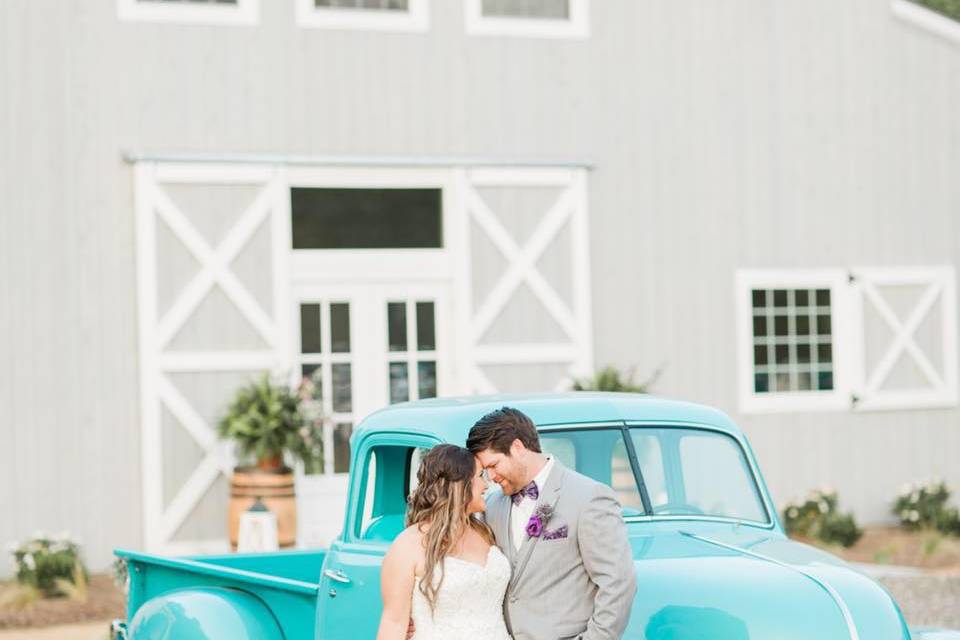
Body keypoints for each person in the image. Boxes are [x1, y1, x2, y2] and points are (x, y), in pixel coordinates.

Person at [468, 407, 637, 640]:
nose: (491, 478)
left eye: (493, 465)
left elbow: (617, 584)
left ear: (517, 448)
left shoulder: (589, 497)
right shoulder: (493, 505)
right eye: (484, 471)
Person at [377, 444, 513, 640]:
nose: (486, 484)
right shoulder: (407, 546)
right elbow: (393, 623)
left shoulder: (484, 532)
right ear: (459, 485)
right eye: (480, 476)